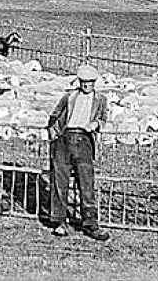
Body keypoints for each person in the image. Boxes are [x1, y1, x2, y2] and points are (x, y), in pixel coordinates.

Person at [46, 64, 111, 241]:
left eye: (89, 82)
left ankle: (90, 224)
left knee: (86, 183)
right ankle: (59, 222)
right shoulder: (70, 96)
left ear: (94, 82)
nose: (86, 85)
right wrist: (53, 130)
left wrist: (95, 125)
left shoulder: (101, 100)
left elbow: (103, 119)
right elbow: (55, 114)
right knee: (60, 181)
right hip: (65, 139)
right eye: (83, 82)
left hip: (84, 140)